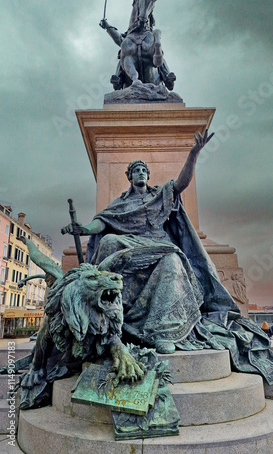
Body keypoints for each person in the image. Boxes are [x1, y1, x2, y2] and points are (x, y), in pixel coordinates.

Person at [62, 130, 273, 385]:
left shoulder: (160, 194)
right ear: (129, 177)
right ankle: (106, 315)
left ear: (148, 176)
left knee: (173, 260)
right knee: (108, 241)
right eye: (136, 170)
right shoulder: (121, 204)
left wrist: (194, 153)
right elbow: (103, 222)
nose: (140, 173)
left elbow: (182, 182)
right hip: (130, 246)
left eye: (144, 170)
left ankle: (165, 331)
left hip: (159, 245)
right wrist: (83, 229)